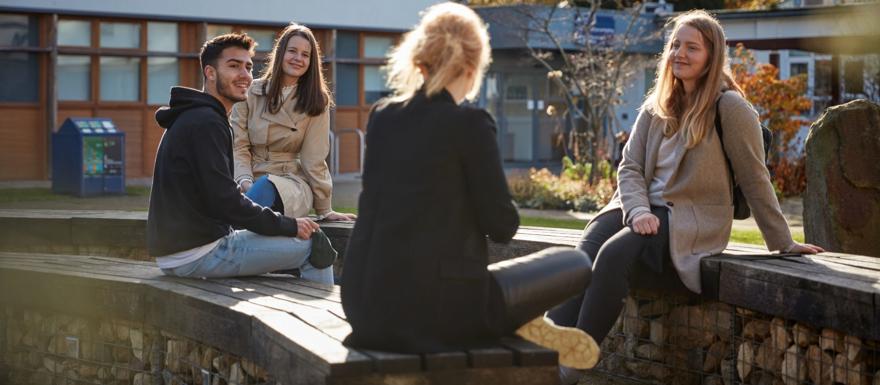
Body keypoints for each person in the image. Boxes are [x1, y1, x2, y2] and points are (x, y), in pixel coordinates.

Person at [546, 10, 824, 384]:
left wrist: (783, 241)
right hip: (639, 207)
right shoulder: (657, 105)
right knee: (582, 255)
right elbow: (628, 168)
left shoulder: (731, 108)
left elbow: (755, 178)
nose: (679, 53)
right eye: (675, 44)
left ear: (712, 55)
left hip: (689, 218)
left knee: (613, 256)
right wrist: (639, 209)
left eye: (691, 47)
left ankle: (571, 368)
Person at [340, 2, 600, 372]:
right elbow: (502, 225)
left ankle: (522, 323)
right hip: (441, 312)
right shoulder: (470, 123)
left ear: (421, 58)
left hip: (367, 306)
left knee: (502, 287)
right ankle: (523, 326)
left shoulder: (383, 117)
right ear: (473, 64)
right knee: (576, 261)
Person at [147, 33, 333, 285]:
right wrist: (290, 226)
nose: (245, 75)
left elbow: (220, 197)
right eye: (233, 66)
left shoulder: (197, 117)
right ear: (210, 73)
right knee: (316, 246)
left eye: (248, 67)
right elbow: (228, 204)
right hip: (199, 252)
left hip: (183, 248)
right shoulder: (207, 123)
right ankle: (321, 322)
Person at [230, 23, 355, 222]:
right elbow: (238, 145)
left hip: (292, 183)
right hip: (247, 176)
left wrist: (324, 208)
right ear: (281, 53)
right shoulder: (251, 92)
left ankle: (229, 238)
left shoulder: (316, 100)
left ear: (311, 61)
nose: (298, 59)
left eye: (305, 55)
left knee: (264, 187)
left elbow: (314, 159)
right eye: (293, 51)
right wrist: (244, 180)